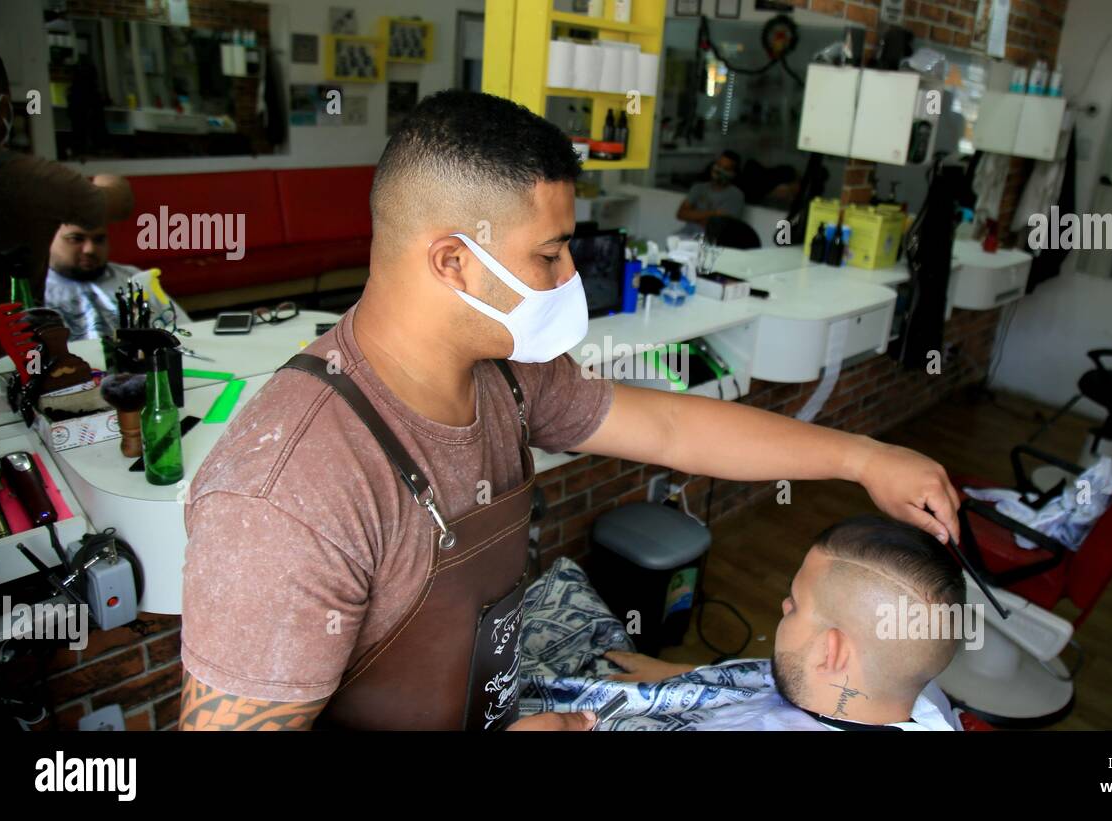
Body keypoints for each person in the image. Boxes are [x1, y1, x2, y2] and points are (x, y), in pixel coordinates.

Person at [177, 90, 960, 732]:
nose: (566, 280)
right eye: (547, 256)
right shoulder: (288, 492)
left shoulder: (508, 374)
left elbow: (671, 426)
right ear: (453, 261)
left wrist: (860, 457)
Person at [597, 516, 966, 731]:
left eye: (796, 606)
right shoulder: (915, 692)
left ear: (831, 652)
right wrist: (682, 675)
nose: (783, 604)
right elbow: (768, 678)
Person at [0, 45, 133, 356]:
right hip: (3, 359)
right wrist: (107, 180)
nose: (89, 250)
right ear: (2, 105)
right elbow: (119, 201)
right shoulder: (28, 180)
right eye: (75, 238)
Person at [47, 221, 188, 341]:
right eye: (76, 239)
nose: (90, 249)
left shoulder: (132, 277)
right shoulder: (34, 289)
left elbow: (182, 330)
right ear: (48, 239)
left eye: (99, 239)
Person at [675, 150, 745, 236]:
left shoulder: (736, 195)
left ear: (733, 174)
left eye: (726, 168)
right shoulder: (698, 188)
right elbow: (681, 214)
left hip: (715, 238)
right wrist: (713, 213)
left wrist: (693, 215)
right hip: (689, 231)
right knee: (672, 240)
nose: (719, 170)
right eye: (718, 165)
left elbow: (718, 225)